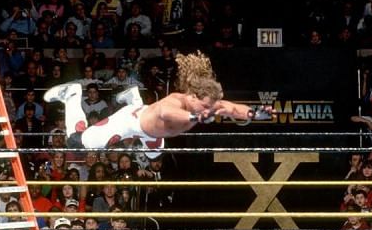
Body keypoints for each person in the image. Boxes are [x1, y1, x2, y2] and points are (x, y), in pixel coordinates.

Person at [44, 51, 272, 158]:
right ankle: (72, 95)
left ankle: (134, 96)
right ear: (192, 97)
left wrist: (255, 113)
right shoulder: (175, 102)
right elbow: (168, 115)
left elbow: (232, 108)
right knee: (77, 144)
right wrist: (195, 118)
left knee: (153, 155)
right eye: (204, 106)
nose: (208, 110)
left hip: (151, 132)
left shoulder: (208, 103)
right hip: (131, 121)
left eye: (209, 107)